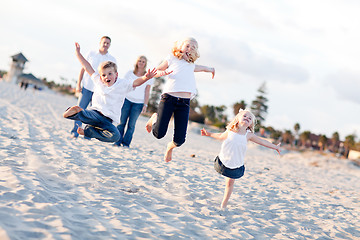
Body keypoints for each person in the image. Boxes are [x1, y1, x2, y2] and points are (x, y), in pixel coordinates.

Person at [63, 43, 165, 142]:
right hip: (95, 113)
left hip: (108, 121)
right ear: (100, 76)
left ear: (116, 74)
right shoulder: (98, 81)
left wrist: (145, 77)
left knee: (115, 136)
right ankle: (77, 112)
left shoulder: (122, 84)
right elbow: (87, 66)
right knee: (85, 115)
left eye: (110, 74)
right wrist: (78, 54)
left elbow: (136, 83)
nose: (106, 77)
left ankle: (88, 131)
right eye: (103, 75)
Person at [146, 37, 215, 162]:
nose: (190, 49)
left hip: (184, 103)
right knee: (159, 134)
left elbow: (202, 68)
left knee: (180, 140)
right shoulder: (172, 58)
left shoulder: (191, 64)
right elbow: (156, 71)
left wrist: (211, 69)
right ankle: (154, 118)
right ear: (181, 47)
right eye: (187, 46)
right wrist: (161, 73)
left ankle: (169, 148)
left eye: (193, 47)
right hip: (168, 99)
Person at [201, 109, 281, 209]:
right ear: (237, 119)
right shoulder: (230, 130)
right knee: (225, 178)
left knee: (229, 184)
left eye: (249, 118)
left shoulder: (249, 135)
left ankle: (224, 204)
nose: (247, 118)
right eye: (244, 116)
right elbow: (220, 136)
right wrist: (208, 134)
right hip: (222, 162)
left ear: (250, 124)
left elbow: (262, 142)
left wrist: (275, 147)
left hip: (236, 165)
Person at [70, 36, 117, 139]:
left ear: (110, 45)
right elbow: (83, 68)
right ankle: (75, 132)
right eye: (104, 42)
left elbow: (113, 77)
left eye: (108, 43)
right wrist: (78, 84)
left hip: (99, 91)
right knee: (79, 110)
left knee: (93, 115)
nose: (105, 45)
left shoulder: (111, 59)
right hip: (86, 87)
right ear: (100, 43)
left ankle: (88, 135)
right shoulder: (91, 54)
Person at [114, 56, 153, 147]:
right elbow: (123, 86)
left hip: (138, 104)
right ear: (136, 62)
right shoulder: (129, 73)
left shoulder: (148, 76)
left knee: (131, 125)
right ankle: (117, 142)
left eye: (143, 61)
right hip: (127, 100)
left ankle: (126, 143)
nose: (141, 63)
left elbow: (147, 91)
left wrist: (145, 105)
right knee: (121, 122)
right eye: (139, 61)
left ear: (145, 64)